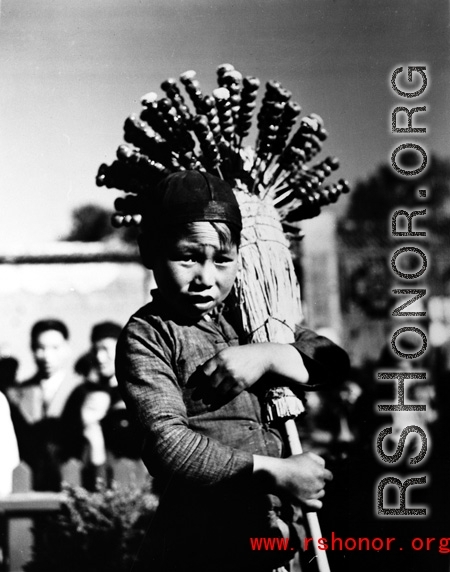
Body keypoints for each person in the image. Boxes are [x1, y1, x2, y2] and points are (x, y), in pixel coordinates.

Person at [115, 170, 350, 572]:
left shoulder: (254, 320)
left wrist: (269, 355)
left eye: (222, 260)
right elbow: (169, 446)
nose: (206, 278)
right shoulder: (149, 335)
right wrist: (276, 472)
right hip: (199, 547)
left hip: (274, 542)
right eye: (187, 257)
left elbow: (333, 362)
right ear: (149, 251)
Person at [64, 321, 142, 488]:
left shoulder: (136, 391)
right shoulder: (81, 394)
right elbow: (67, 439)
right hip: (85, 478)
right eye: (96, 350)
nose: (100, 358)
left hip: (130, 481)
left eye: (106, 349)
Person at [9, 319, 81, 491]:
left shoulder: (79, 390)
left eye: (55, 348)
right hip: (30, 482)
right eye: (40, 348)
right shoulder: (19, 394)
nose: (47, 356)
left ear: (67, 348)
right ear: (32, 349)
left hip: (72, 481)